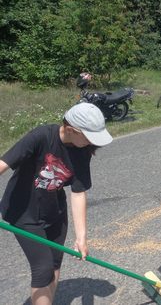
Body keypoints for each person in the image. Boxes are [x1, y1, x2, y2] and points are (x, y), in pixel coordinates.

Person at [0, 103, 113, 305]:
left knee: (54, 263)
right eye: (88, 137)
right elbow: (2, 164)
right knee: (42, 268)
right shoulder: (42, 136)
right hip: (23, 212)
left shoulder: (82, 150)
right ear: (71, 129)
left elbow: (78, 193)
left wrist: (81, 237)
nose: (91, 143)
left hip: (54, 211)